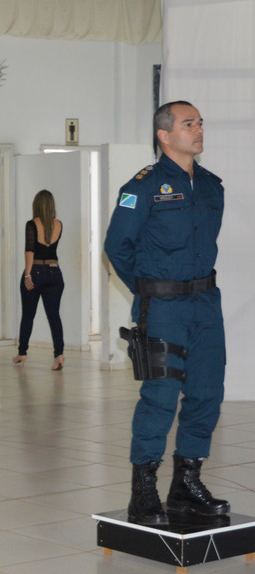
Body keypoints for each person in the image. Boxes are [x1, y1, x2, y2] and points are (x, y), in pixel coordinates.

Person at [104, 100, 229, 526]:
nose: (198, 130)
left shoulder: (212, 187)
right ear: (164, 135)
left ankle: (185, 484)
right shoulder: (141, 187)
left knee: (207, 393)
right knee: (159, 399)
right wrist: (150, 287)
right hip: (164, 309)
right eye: (189, 123)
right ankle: (144, 491)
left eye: (200, 124)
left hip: (205, 306)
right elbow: (117, 248)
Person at [13, 190, 65, 370]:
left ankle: (22, 353)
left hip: (35, 271)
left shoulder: (31, 224)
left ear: (36, 204)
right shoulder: (58, 224)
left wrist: (27, 274)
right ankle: (59, 355)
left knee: (28, 315)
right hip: (55, 272)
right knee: (54, 316)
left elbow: (30, 250)